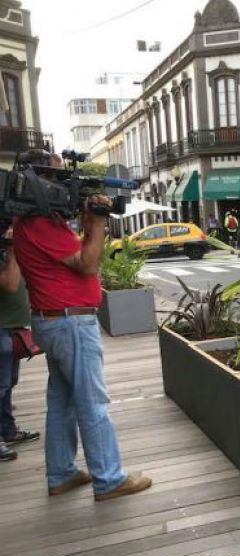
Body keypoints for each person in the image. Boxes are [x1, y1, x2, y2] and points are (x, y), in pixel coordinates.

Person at [14, 186, 152, 500]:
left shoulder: (27, 223)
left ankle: (61, 473)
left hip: (54, 321)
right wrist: (100, 222)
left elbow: (75, 256)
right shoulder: (42, 224)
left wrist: (88, 225)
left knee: (62, 402)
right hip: (70, 323)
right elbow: (88, 263)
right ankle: (109, 478)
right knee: (93, 403)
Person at [0, 233, 39, 461]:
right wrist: (13, 249)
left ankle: (8, 430)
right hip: (2, 329)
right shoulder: (8, 255)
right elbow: (11, 283)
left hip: (11, 328)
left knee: (8, 384)